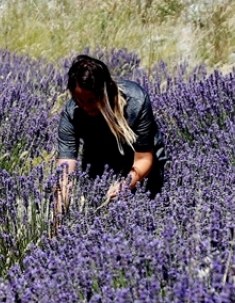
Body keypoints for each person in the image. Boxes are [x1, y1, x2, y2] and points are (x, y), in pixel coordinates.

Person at [56, 54, 168, 211]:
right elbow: (65, 170)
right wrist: (59, 219)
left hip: (141, 166)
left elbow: (144, 158)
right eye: (80, 100)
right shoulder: (72, 113)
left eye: (92, 100)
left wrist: (125, 185)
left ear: (106, 91)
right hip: (99, 161)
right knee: (97, 211)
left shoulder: (135, 101)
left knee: (145, 211)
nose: (86, 107)